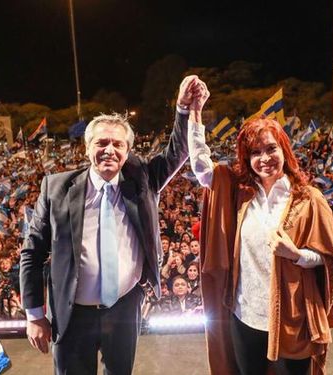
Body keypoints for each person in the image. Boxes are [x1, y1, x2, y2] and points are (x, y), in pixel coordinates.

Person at [20, 75, 208, 375]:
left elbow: (177, 151)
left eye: (117, 144)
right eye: (102, 142)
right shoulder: (55, 188)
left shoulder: (142, 181)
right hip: (72, 312)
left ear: (128, 150)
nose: (109, 150)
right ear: (86, 148)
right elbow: (31, 253)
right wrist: (34, 314)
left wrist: (183, 109)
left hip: (124, 306)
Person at [189, 116, 333, 375]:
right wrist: (192, 114)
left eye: (271, 148)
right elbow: (203, 168)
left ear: (284, 149)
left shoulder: (309, 199)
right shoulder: (241, 194)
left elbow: (330, 260)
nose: (264, 158)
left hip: (293, 319)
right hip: (245, 316)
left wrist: (297, 255)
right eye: (255, 153)